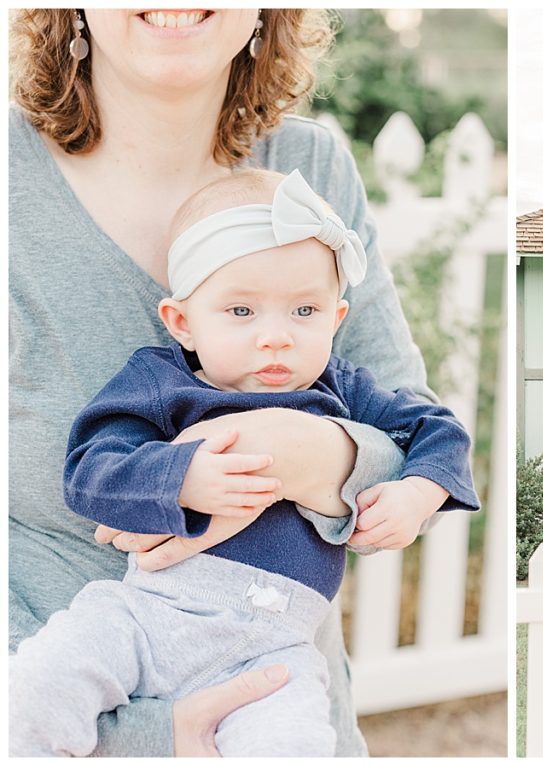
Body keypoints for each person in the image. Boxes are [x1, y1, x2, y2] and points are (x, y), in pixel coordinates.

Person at [9, 9, 441, 756]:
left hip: (281, 708)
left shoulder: (313, 170)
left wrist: (286, 450)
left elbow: (413, 435)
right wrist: (145, 738)